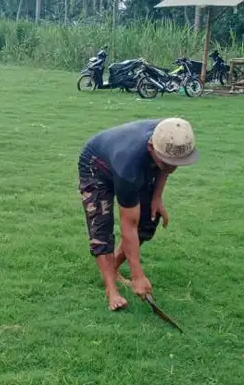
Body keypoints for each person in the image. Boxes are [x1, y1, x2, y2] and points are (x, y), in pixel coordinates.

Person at [78, 118, 199, 311]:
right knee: (101, 227)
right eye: (168, 162)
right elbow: (128, 225)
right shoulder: (129, 165)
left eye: (178, 163)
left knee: (149, 220)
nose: (174, 167)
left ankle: (114, 268)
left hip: (137, 161)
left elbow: (165, 167)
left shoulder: (172, 134)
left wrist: (157, 197)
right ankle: (111, 289)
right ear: (152, 148)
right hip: (97, 166)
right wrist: (137, 275)